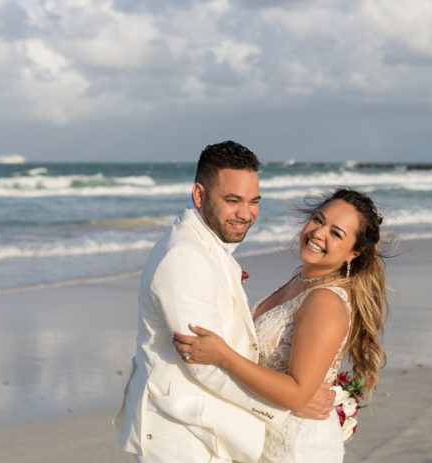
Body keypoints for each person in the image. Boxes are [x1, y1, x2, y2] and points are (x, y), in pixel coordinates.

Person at [113, 141, 334, 463]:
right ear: (199, 195)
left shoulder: (207, 245)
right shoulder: (184, 258)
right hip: (183, 435)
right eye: (233, 201)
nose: (246, 214)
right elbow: (204, 364)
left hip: (207, 425)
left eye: (253, 201)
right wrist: (286, 404)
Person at [173, 188, 390, 463]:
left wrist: (223, 357)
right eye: (318, 220)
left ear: (354, 253)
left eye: (336, 234)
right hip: (264, 434)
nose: (318, 233)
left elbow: (298, 393)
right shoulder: (302, 282)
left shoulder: (325, 301)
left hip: (294, 449)